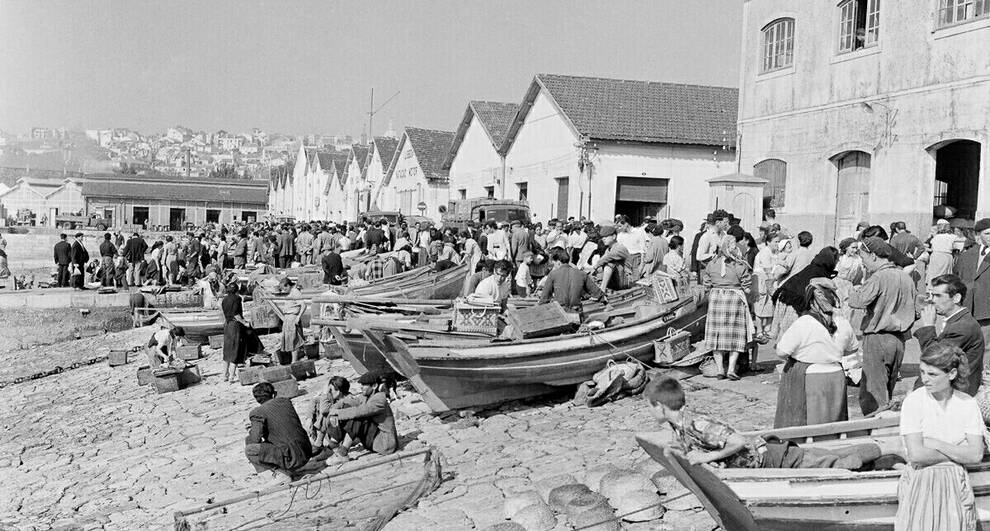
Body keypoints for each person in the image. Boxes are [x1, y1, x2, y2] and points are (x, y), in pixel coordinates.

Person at [644, 376, 897, 470]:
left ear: (661, 406)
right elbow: (698, 448)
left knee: (836, 461)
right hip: (768, 456)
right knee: (827, 457)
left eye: (650, 406)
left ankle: (884, 452)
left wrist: (709, 459)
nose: (650, 411)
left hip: (771, 457)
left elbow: (738, 441)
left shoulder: (696, 423)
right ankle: (876, 452)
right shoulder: (679, 425)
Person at [896, 343, 986, 530]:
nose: (925, 379)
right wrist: (959, 451)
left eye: (932, 374)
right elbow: (917, 455)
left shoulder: (967, 404)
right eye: (922, 372)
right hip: (921, 482)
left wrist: (936, 443)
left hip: (955, 483)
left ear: (951, 374)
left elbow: (976, 455)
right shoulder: (914, 402)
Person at [774, 279, 859, 428]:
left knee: (807, 422)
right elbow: (852, 349)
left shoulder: (804, 322)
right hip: (836, 376)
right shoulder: (843, 322)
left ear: (811, 301)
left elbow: (781, 352)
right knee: (833, 422)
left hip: (809, 376)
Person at [848, 237, 917, 415]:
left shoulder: (878, 277)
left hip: (877, 338)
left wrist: (851, 290)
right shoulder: (905, 277)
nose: (863, 264)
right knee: (888, 387)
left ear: (873, 256)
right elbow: (915, 310)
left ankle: (875, 429)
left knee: (873, 393)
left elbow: (858, 301)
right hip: (899, 340)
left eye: (863, 258)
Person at [913, 274, 984, 396]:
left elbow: (936, 358)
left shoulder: (962, 326)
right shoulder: (958, 321)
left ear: (956, 298)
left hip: (954, 395)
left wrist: (928, 326)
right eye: (932, 295)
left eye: (938, 296)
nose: (933, 300)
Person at [703, 235, 753, 380]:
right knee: (735, 336)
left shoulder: (712, 264)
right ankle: (731, 369)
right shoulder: (739, 265)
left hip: (716, 299)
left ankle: (720, 370)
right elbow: (747, 286)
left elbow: (706, 283)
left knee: (716, 336)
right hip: (734, 300)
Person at [245, 382, 314, 483]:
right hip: (306, 451)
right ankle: (286, 470)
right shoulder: (286, 401)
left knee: (249, 448)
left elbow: (255, 439)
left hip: (290, 456)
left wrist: (252, 430)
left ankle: (280, 473)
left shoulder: (257, 412)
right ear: (274, 393)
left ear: (256, 399)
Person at [323, 372, 398, 462]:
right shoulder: (367, 396)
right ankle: (333, 445)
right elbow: (351, 401)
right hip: (373, 439)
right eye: (361, 384)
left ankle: (342, 453)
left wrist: (337, 414)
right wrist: (335, 408)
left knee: (358, 416)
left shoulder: (379, 399)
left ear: (374, 386)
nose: (361, 387)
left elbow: (358, 411)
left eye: (364, 385)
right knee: (347, 408)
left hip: (385, 444)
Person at [770, 247, 840, 341]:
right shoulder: (819, 273)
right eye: (836, 259)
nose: (837, 262)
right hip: (793, 303)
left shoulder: (817, 267)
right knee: (793, 340)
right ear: (830, 260)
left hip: (788, 297)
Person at [953, 217, 990, 385]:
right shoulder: (967, 255)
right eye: (987, 233)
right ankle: (964, 378)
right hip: (966, 308)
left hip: (986, 308)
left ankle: (984, 380)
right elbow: (956, 278)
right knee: (964, 345)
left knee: (986, 346)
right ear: (978, 235)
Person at [539, 247, 605, 313]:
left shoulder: (553, 274)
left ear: (558, 262)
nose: (554, 267)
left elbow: (544, 299)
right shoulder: (582, 274)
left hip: (560, 313)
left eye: (554, 264)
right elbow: (598, 294)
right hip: (577, 312)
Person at [309, 376, 361, 453]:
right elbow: (315, 400)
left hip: (350, 437)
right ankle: (318, 443)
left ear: (339, 391)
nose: (329, 392)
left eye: (331, 390)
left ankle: (319, 444)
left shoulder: (347, 400)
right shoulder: (339, 398)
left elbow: (324, 410)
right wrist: (309, 418)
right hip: (338, 433)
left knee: (327, 413)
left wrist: (324, 393)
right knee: (321, 405)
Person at [222, 283, 251, 383]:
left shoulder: (224, 299)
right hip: (235, 326)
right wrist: (245, 323)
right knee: (235, 350)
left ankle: (225, 375)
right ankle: (231, 377)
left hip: (227, 325)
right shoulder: (237, 298)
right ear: (237, 290)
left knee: (227, 351)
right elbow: (236, 314)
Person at [591, 225, 634, 292]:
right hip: (617, 279)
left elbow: (607, 257)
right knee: (599, 269)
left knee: (609, 264)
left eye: (606, 236)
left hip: (626, 280)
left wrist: (595, 267)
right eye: (602, 237)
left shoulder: (620, 247)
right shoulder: (608, 249)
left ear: (614, 236)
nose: (603, 239)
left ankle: (602, 289)